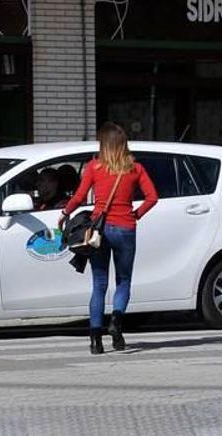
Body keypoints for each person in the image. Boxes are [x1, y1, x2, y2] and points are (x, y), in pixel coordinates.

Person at [60, 123, 159, 355]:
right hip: (126, 228)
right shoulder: (135, 168)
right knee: (123, 281)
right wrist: (136, 213)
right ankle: (116, 321)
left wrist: (65, 213)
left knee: (99, 284)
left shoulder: (94, 167)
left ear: (104, 144)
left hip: (100, 231)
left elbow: (79, 196)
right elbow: (152, 197)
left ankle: (95, 341)